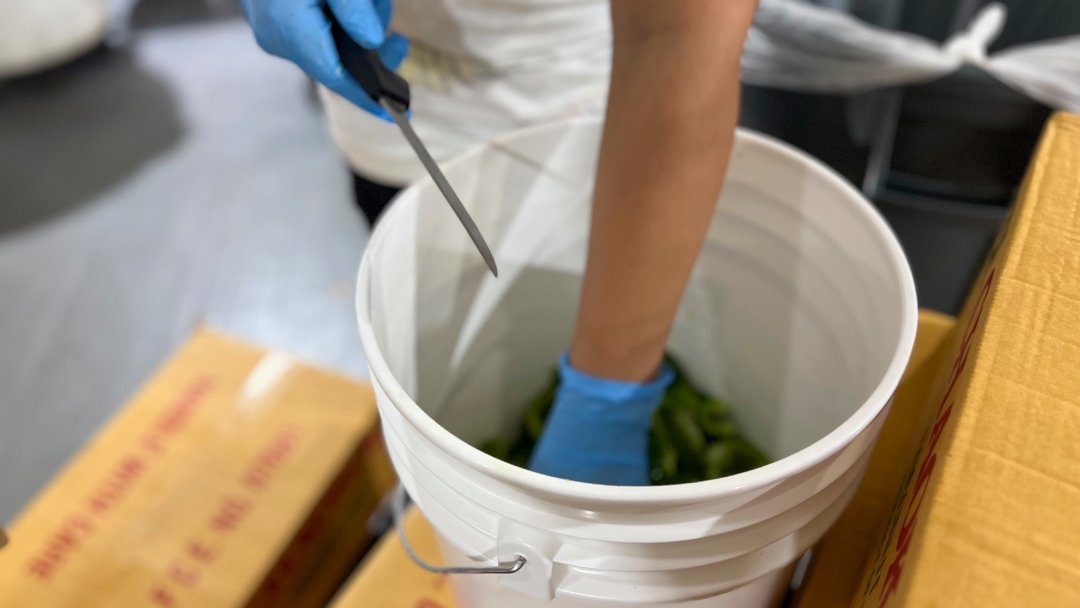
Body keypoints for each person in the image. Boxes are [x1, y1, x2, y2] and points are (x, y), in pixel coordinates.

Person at [241, 0, 757, 485]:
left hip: (592, 106)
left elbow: (677, 35)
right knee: (427, 318)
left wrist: (607, 398)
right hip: (384, 108)